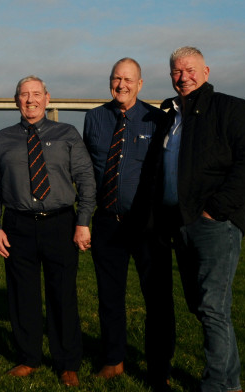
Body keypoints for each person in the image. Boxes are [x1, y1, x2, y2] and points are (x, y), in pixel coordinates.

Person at [137, 46, 245, 392]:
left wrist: (217, 209)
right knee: (203, 306)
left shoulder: (231, 108)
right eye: (177, 71)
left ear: (206, 72)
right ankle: (232, 383)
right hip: (178, 225)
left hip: (214, 225)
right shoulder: (171, 117)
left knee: (211, 306)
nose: (184, 76)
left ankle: (216, 386)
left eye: (190, 69)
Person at [0, 75, 95, 386]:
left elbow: (86, 179)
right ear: (16, 100)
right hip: (17, 225)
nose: (30, 100)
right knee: (23, 298)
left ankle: (67, 363)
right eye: (24, 95)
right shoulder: (3, 138)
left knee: (63, 296)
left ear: (48, 99)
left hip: (61, 223)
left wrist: (83, 221)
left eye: (36, 94)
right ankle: (28, 358)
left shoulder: (67, 133)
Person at [82, 58, 175, 386]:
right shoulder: (93, 118)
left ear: (140, 83)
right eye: (116, 78)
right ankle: (113, 359)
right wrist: (83, 218)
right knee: (109, 296)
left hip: (149, 226)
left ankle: (158, 369)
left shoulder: (158, 119)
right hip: (108, 221)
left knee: (158, 299)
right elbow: (88, 174)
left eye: (128, 79)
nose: (122, 84)